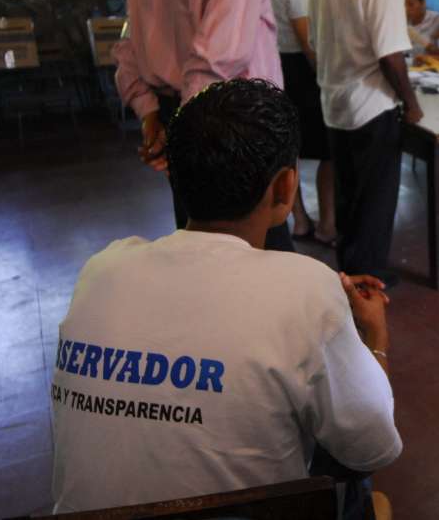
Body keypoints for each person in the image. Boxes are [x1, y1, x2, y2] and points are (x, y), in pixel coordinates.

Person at [51, 79, 402, 515]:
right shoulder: (308, 286)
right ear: (285, 187)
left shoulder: (102, 269)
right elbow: (372, 449)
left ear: (174, 173)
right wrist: (375, 344)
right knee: (353, 475)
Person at [113, 0, 292, 251]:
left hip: (180, 115)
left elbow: (128, 51)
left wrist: (152, 117)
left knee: (200, 246)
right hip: (228, 123)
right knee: (261, 256)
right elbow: (216, 62)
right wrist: (188, 138)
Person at [309, 0, 423, 285]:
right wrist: (411, 104)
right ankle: (367, 284)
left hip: (334, 103)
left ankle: (346, 272)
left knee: (348, 196)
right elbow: (390, 54)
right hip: (372, 106)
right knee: (375, 204)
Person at [268, 0, 337, 246]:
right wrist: (324, 76)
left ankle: (299, 221)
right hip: (300, 70)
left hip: (274, 67)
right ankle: (328, 224)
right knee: (328, 151)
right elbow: (306, 40)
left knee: (287, 149)